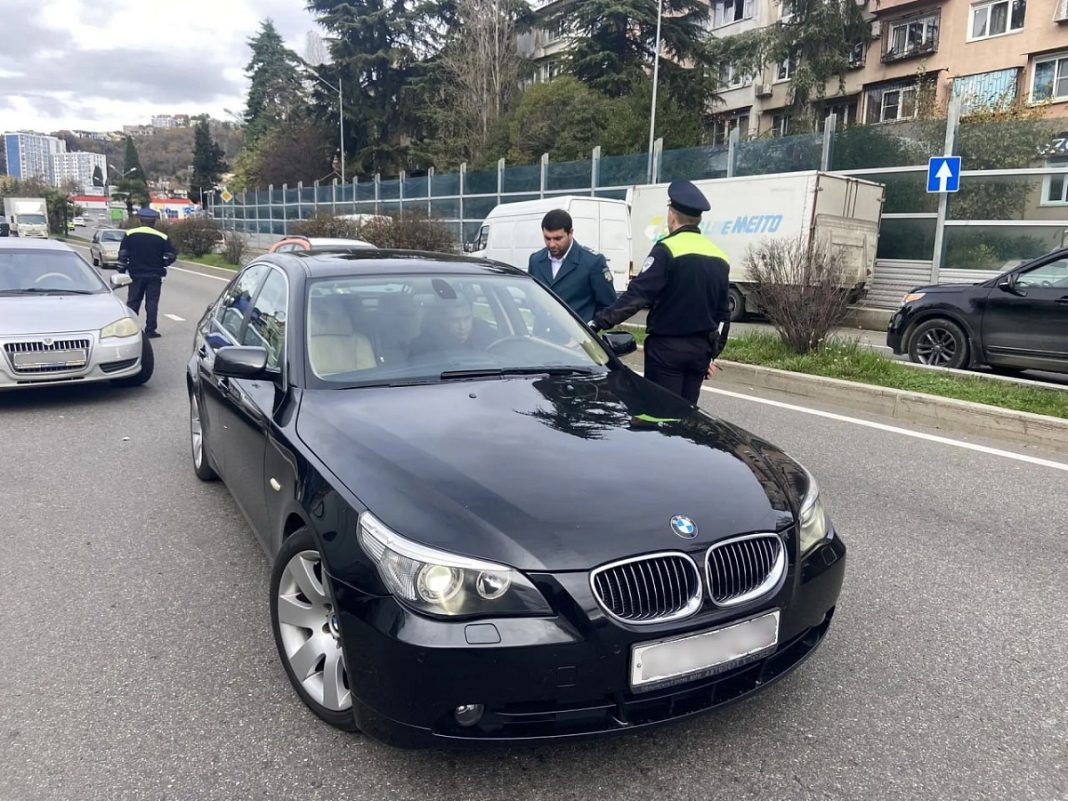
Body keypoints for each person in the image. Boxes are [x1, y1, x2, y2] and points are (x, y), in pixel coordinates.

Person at [591, 180, 730, 405]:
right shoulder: (719, 257)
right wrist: (712, 355)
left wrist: (598, 323)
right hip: (700, 352)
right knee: (687, 416)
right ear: (699, 218)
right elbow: (723, 315)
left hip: (667, 350)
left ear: (671, 215)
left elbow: (637, 296)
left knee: (659, 415)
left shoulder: (666, 249)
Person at [528, 209, 617, 325]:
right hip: (541, 337)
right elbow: (531, 297)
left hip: (576, 340)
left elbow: (609, 307)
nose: (552, 244)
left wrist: (589, 330)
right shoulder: (536, 260)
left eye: (558, 238)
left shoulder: (592, 262)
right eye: (547, 238)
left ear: (570, 233)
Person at [117, 208, 176, 338]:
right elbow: (171, 255)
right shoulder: (162, 237)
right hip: (154, 275)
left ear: (140, 220)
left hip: (135, 274)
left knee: (133, 301)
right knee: (152, 303)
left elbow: (123, 254)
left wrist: (121, 269)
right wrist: (163, 263)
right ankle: (150, 330)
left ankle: (131, 328)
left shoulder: (130, 234)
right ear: (154, 222)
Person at [408, 298, 494, 360]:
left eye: (467, 319)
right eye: (455, 321)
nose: (462, 326)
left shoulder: (488, 335)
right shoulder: (422, 346)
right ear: (442, 322)